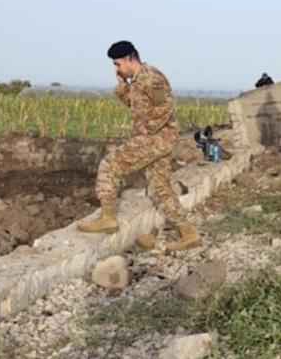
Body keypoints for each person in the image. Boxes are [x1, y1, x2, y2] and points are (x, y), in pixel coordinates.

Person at [78, 41, 201, 251]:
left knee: (110, 165)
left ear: (129, 58)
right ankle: (188, 234)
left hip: (155, 139)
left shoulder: (151, 78)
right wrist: (122, 89)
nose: (116, 69)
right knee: (160, 187)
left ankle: (108, 218)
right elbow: (137, 107)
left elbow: (165, 106)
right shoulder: (136, 81)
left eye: (117, 64)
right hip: (157, 140)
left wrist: (146, 130)